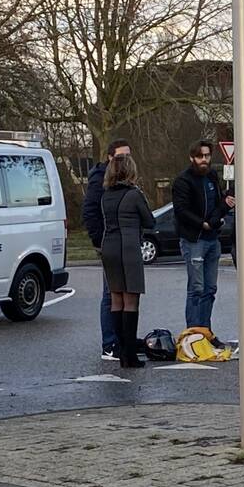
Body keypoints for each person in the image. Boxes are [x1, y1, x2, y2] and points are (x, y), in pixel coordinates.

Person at [172, 140, 235, 342]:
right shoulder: (183, 181)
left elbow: (217, 204)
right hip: (194, 239)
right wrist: (203, 224)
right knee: (196, 288)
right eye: (200, 156)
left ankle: (205, 332)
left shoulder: (212, 177)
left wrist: (224, 206)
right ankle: (193, 334)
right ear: (192, 158)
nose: (204, 160)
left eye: (207, 156)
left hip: (212, 240)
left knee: (210, 289)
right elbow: (181, 210)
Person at [100, 154, 155, 368]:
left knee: (116, 299)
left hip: (109, 247)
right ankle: (130, 355)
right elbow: (149, 221)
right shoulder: (134, 194)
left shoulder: (105, 196)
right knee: (131, 301)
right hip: (128, 247)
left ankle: (121, 350)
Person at [82, 138, 131, 361]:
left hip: (123, 244)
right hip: (109, 244)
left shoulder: (125, 180)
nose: (126, 160)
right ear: (110, 157)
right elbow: (90, 211)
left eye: (128, 156)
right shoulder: (100, 180)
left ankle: (122, 339)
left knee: (124, 293)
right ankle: (110, 344)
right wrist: (99, 242)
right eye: (121, 156)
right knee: (110, 295)